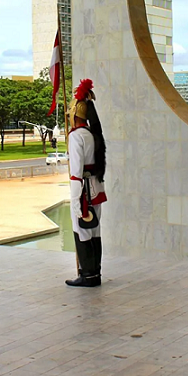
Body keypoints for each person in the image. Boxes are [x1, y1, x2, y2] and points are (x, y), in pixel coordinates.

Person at [65, 79, 107, 287]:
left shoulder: (76, 136)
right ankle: (95, 273)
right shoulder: (92, 134)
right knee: (94, 231)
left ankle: (87, 275)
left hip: (83, 191)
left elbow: (76, 173)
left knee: (81, 230)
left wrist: (74, 201)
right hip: (96, 189)